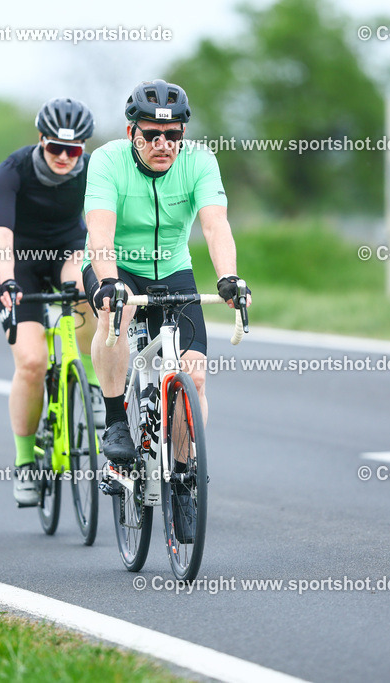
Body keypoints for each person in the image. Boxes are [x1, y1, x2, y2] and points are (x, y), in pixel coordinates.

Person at [81, 79, 251, 465]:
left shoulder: (200, 161)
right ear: (131, 132)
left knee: (195, 377)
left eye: (172, 134)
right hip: (117, 265)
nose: (163, 144)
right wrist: (108, 282)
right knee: (116, 311)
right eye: (152, 135)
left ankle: (183, 473)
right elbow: (100, 233)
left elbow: (215, 225)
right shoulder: (108, 161)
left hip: (172, 269)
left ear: (183, 133)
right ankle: (114, 421)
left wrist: (229, 277)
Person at [0, 97, 101, 506]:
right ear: (40, 141)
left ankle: (91, 380)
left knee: (90, 290)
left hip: (68, 250)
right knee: (32, 363)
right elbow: (0, 236)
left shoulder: (91, 172)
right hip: (19, 263)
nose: (66, 157)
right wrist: (9, 282)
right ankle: (24, 464)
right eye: (56, 148)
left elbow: (105, 229)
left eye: (74, 149)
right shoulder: (13, 170)